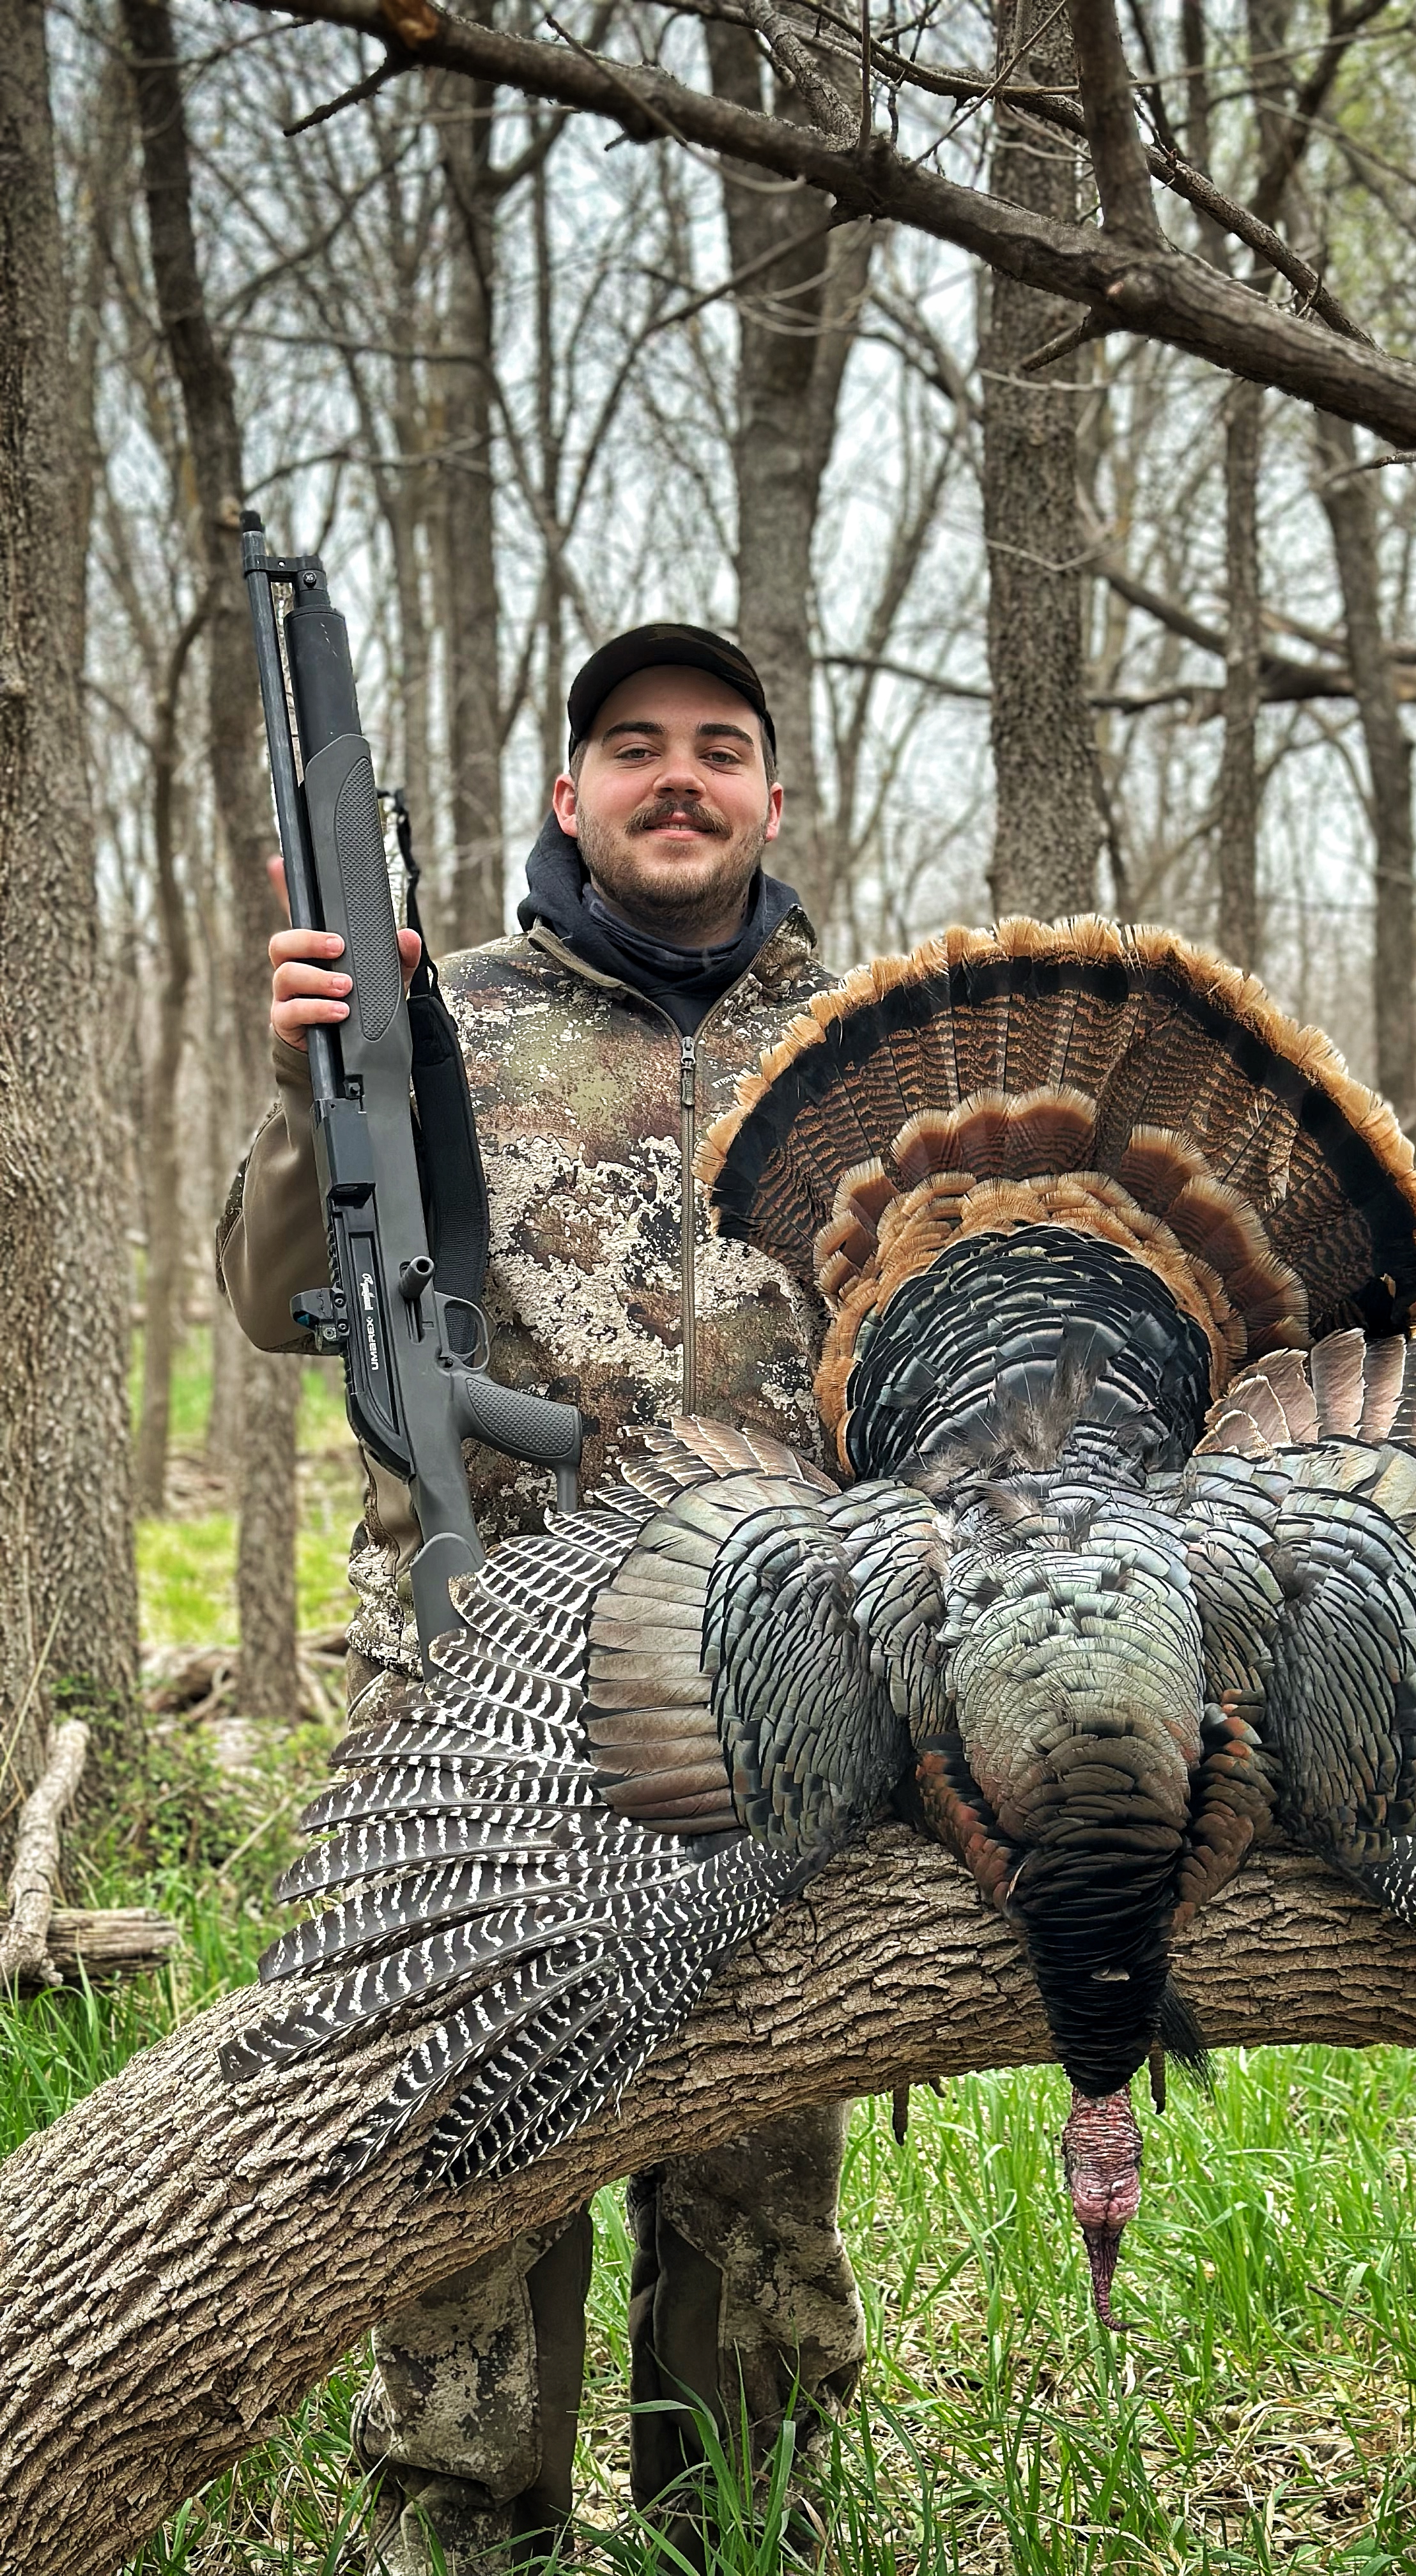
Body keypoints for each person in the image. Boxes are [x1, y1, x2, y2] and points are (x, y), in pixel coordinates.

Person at [217, 625, 864, 2573]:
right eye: (634, 746)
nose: (679, 777)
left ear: (769, 795)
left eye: (718, 747)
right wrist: (321, 1083)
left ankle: (732, 2539)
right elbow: (271, 1304)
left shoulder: (874, 1042)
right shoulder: (444, 1017)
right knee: (468, 2184)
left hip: (777, 1693)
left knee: (755, 2208)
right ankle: (458, 2539)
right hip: (475, 1682)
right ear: (571, 794)